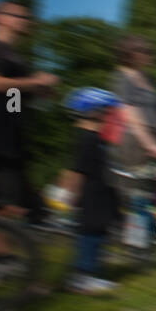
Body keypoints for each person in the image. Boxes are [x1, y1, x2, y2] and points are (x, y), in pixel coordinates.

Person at [0, 0, 57, 279]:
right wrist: (33, 83)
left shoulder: (15, 56)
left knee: (5, 202)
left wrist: (39, 92)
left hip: (9, 139)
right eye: (20, 15)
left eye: (27, 17)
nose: (25, 21)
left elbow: (13, 98)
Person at [59, 88, 122, 294]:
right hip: (91, 196)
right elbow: (76, 170)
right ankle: (83, 276)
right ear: (92, 111)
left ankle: (90, 273)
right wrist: (68, 196)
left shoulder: (94, 138)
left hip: (101, 194)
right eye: (105, 111)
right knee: (91, 234)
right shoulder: (87, 139)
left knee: (99, 233)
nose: (107, 116)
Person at [110, 35, 156, 247]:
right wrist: (149, 144)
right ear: (132, 53)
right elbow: (129, 114)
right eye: (146, 52)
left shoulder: (148, 79)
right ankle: (137, 246)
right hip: (133, 142)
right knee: (137, 196)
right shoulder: (122, 77)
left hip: (154, 141)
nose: (150, 56)